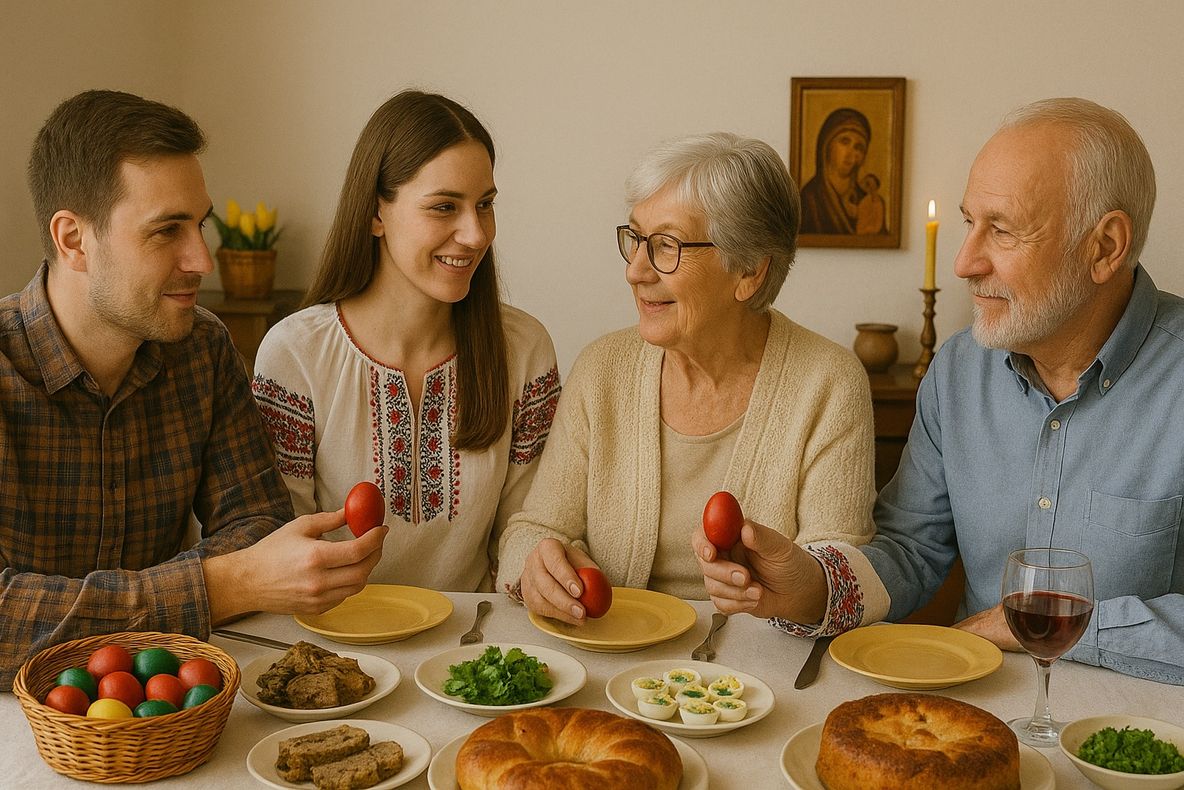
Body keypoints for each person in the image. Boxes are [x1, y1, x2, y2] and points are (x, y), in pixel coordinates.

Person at [694, 98, 1184, 685]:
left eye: (1000, 230)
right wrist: (812, 586)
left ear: (1105, 247)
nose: (963, 262)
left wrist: (1044, 623)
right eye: (968, 223)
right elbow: (910, 551)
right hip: (976, 711)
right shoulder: (957, 370)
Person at [0, 90, 387, 688]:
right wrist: (218, 586)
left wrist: (73, 609)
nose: (202, 260)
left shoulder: (201, 347)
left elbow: (257, 522)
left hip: (182, 710)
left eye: (199, 224)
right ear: (74, 239)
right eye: (166, 231)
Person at [496, 132, 877, 623]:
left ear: (749, 272)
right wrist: (538, 565)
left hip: (761, 680)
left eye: (666, 246)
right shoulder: (602, 370)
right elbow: (531, 529)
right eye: (635, 239)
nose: (635, 271)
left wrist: (800, 585)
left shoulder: (829, 384)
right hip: (613, 669)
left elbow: (840, 572)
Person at [252, 91, 559, 592]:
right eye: (444, 207)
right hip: (337, 649)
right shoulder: (295, 354)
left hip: (477, 648)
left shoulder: (524, 348)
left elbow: (525, 532)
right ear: (376, 212)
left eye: (485, 205)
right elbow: (282, 548)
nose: (476, 234)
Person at [799, 108, 871, 235]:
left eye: (858, 147)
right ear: (827, 145)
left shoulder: (866, 200)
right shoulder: (808, 199)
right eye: (845, 141)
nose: (851, 153)